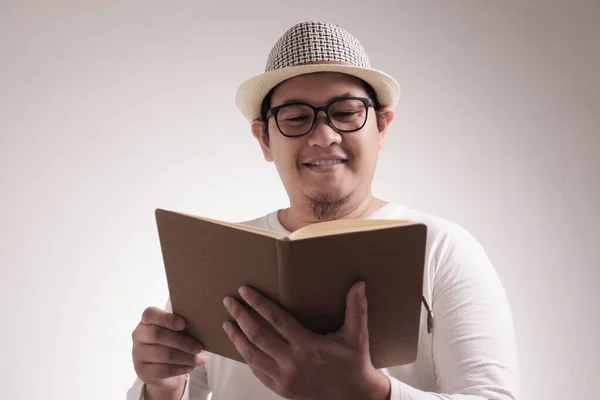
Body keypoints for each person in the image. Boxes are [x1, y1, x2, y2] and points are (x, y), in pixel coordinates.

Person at [126, 21, 520, 400]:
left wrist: (365, 392)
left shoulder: (442, 249)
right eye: (296, 117)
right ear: (264, 139)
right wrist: (161, 388)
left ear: (382, 126)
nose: (324, 136)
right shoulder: (219, 257)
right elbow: (170, 387)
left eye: (347, 112)